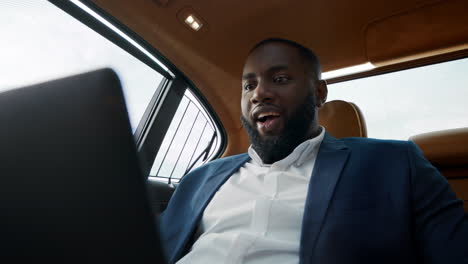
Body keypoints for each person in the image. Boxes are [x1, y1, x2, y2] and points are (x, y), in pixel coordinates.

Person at [159, 38, 468, 264]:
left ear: (319, 93)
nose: (259, 93)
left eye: (279, 79)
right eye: (248, 85)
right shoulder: (198, 179)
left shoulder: (396, 163)